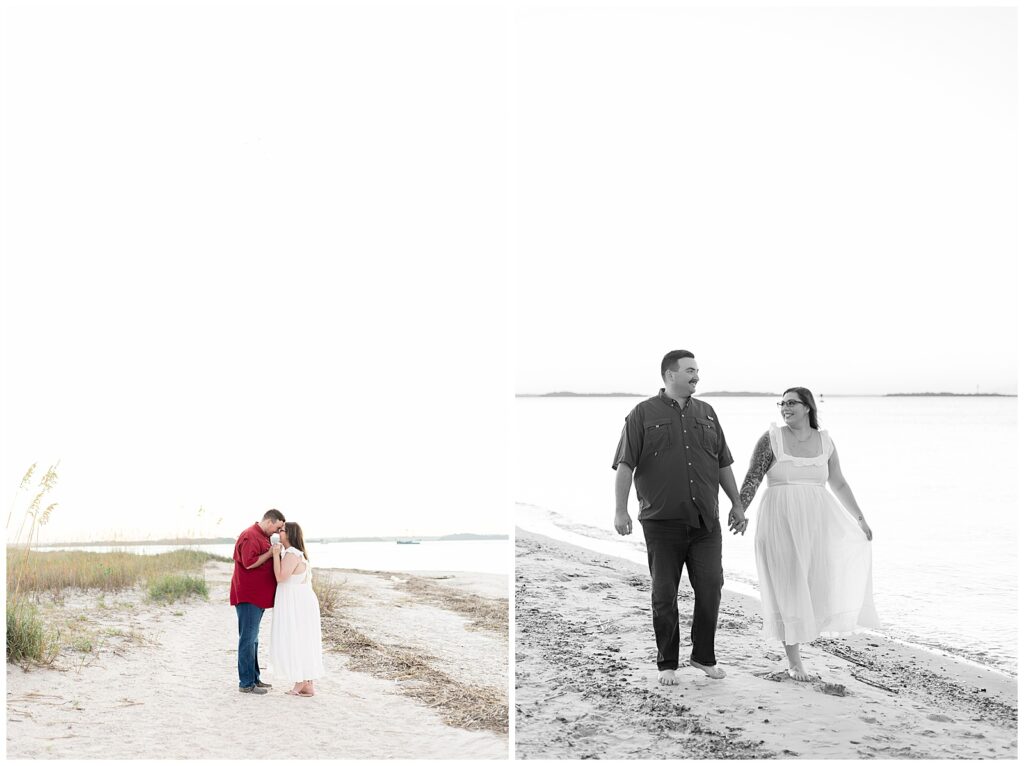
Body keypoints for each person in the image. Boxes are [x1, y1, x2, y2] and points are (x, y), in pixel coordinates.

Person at [612, 350, 748, 686]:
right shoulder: (642, 414)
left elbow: (722, 464)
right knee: (664, 593)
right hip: (661, 522)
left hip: (705, 521)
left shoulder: (708, 413)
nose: (696, 376)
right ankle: (667, 663)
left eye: (698, 370)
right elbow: (625, 465)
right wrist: (620, 509)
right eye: (690, 371)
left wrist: (737, 504)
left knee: (712, 586)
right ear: (670, 374)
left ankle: (703, 656)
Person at [733, 387, 880, 680]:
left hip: (817, 522)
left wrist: (860, 519)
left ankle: (802, 642)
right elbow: (753, 476)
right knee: (788, 585)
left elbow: (838, 483)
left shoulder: (826, 442)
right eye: (782, 403)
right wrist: (740, 510)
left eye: (791, 403)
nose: (784, 408)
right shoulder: (771, 438)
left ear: (808, 407)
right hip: (779, 520)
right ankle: (794, 660)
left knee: (811, 583)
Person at [230, 509, 286, 694]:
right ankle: (246, 683)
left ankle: (255, 678)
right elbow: (248, 562)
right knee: (247, 639)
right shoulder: (250, 535)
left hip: (258, 597)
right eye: (277, 527)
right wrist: (270, 554)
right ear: (270, 521)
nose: (277, 532)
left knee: (253, 640)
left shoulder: (262, 536)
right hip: (248, 596)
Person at [269, 521, 325, 696]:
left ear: (290, 534)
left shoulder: (292, 554)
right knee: (303, 638)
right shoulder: (296, 553)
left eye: (282, 530)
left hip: (297, 603)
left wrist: (275, 556)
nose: (279, 533)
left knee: (297, 638)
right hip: (301, 600)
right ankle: (308, 684)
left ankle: (301, 681)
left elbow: (280, 577)